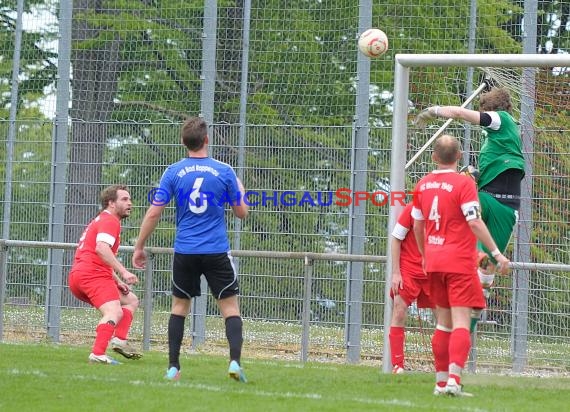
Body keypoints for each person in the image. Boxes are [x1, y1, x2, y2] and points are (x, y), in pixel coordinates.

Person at [132, 116, 249, 383]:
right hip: (216, 250)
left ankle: (173, 367)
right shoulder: (224, 171)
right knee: (230, 308)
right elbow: (242, 213)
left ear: (183, 142)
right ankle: (234, 363)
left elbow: (154, 213)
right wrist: (240, 189)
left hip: (185, 251)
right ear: (206, 140)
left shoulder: (173, 172)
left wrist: (139, 246)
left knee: (179, 307)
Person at [415, 86, 524, 331]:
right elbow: (486, 171)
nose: (481, 117)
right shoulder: (494, 138)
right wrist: (473, 173)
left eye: (483, 112)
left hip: (502, 205)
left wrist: (435, 111)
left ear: (491, 109)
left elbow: (461, 114)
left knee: (485, 274)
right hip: (487, 198)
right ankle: (458, 318)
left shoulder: (500, 119)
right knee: (470, 253)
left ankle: (463, 324)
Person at [411, 134, 510, 396]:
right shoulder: (464, 184)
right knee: (463, 321)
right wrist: (496, 253)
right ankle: (454, 380)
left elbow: (418, 225)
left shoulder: (422, 185)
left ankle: (440, 383)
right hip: (458, 262)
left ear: (433, 157)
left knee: (443, 323)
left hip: (433, 261)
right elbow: (475, 222)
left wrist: (424, 254)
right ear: (459, 157)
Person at [68, 184, 142, 364]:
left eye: (129, 199)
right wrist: (123, 272)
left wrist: (116, 281)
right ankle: (98, 354)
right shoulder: (110, 221)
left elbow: (99, 255)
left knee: (130, 300)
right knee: (113, 312)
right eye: (124, 199)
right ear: (111, 203)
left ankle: (119, 340)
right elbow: (101, 249)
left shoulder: (102, 219)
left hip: (80, 275)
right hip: (92, 275)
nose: (129, 203)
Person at [389, 202, 433, 374]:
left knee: (444, 318)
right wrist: (396, 273)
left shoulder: (446, 210)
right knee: (399, 311)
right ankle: (397, 366)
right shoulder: (412, 209)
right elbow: (396, 239)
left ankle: (444, 367)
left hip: (433, 271)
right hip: (408, 270)